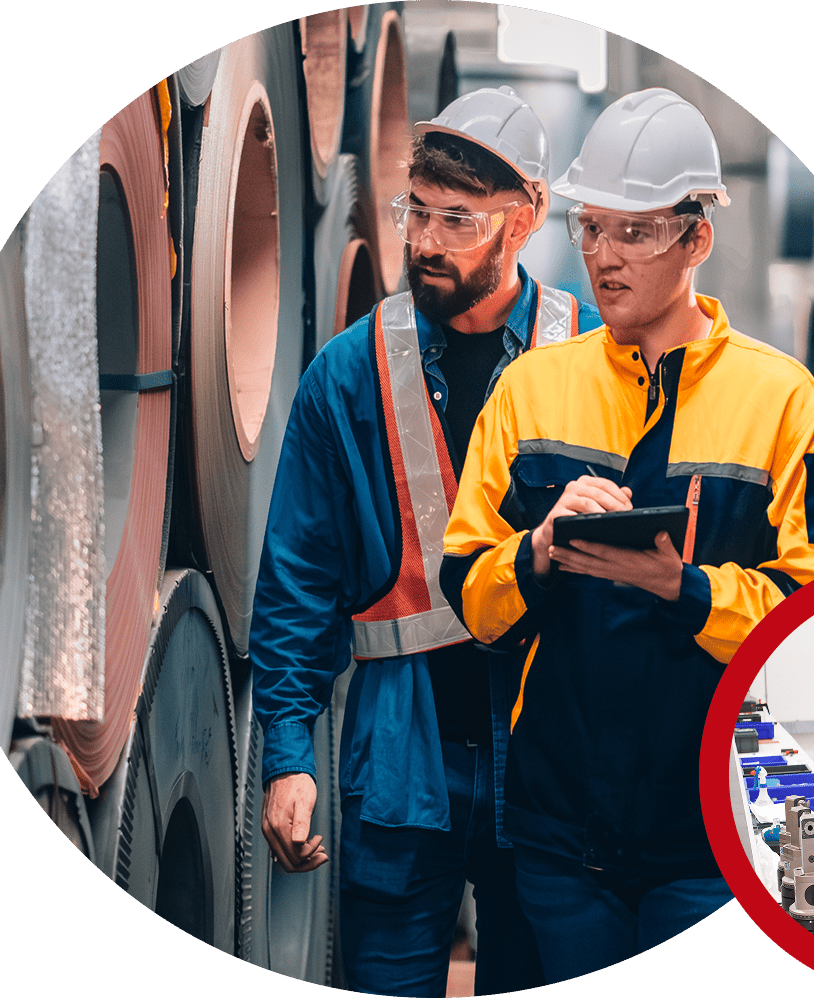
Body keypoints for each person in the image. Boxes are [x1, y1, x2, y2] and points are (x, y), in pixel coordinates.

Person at [439, 87, 814, 983]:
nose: (603, 258)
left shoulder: (783, 403)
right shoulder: (531, 392)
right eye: (590, 228)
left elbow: (805, 613)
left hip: (708, 844)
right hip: (555, 837)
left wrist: (682, 588)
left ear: (696, 238)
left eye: (636, 233)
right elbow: (467, 591)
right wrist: (537, 550)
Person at [248, 86, 601, 997]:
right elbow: (298, 582)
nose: (424, 241)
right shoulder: (348, 372)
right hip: (404, 758)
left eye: (458, 219)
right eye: (416, 211)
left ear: (522, 223)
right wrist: (287, 755)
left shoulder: (596, 355)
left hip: (555, 754)